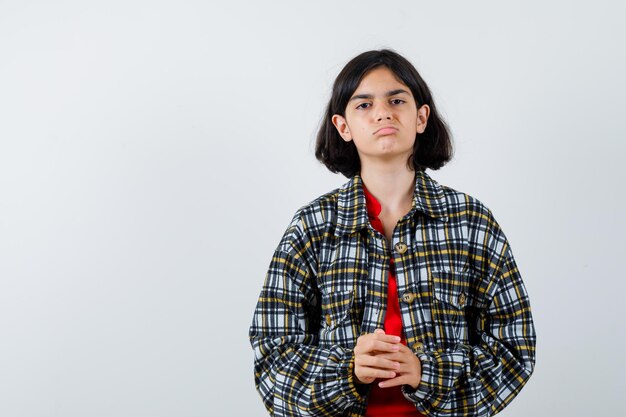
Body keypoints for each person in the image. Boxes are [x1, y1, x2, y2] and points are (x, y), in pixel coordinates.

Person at [248, 48, 536, 417]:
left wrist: (428, 374)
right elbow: (273, 355)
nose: (383, 112)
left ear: (421, 117)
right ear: (343, 127)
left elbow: (515, 346)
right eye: (363, 105)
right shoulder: (312, 226)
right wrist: (347, 373)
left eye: (396, 99)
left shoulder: (470, 220)